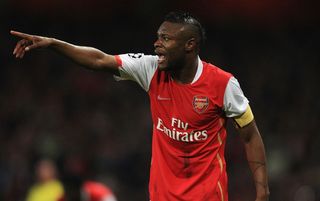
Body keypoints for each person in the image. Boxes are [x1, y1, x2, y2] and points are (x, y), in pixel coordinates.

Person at [11, 11, 269, 201]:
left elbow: (250, 135)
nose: (157, 44)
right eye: (158, 37)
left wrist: (262, 192)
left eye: (166, 39)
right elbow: (100, 60)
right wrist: (55, 44)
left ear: (190, 45)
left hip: (208, 196)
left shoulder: (223, 85)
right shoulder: (151, 69)